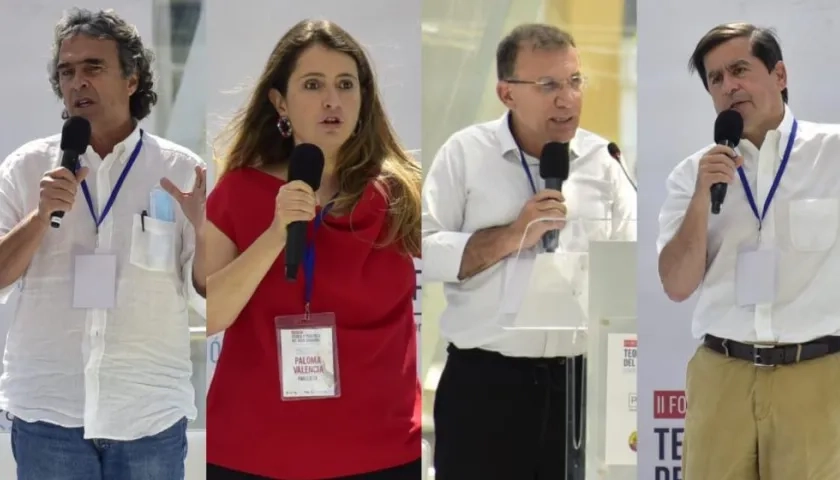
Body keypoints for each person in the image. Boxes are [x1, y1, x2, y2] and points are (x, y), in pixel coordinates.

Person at [204, 19, 422, 480]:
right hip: (253, 451)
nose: (332, 100)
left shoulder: (403, 195)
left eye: (346, 85)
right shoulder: (239, 191)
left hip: (380, 451)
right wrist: (275, 234)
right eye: (312, 85)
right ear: (279, 101)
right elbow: (210, 315)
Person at [0, 8, 206, 480]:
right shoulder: (26, 168)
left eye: (94, 67)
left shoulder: (179, 171)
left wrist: (207, 231)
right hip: (49, 412)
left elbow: (205, 295)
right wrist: (41, 214)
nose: (78, 83)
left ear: (132, 79)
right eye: (67, 72)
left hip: (147, 412)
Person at [423, 23, 636, 479]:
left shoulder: (606, 162)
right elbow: (423, 251)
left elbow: (630, 269)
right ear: (506, 93)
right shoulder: (465, 154)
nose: (567, 98)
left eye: (574, 81)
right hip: (484, 387)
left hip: (579, 387)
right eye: (548, 85)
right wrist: (512, 234)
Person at [657, 22, 840, 479]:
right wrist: (703, 196)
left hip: (817, 375)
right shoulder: (691, 175)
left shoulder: (833, 154)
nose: (728, 86)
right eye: (715, 79)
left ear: (779, 75)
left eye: (739, 69)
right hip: (723, 375)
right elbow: (677, 285)